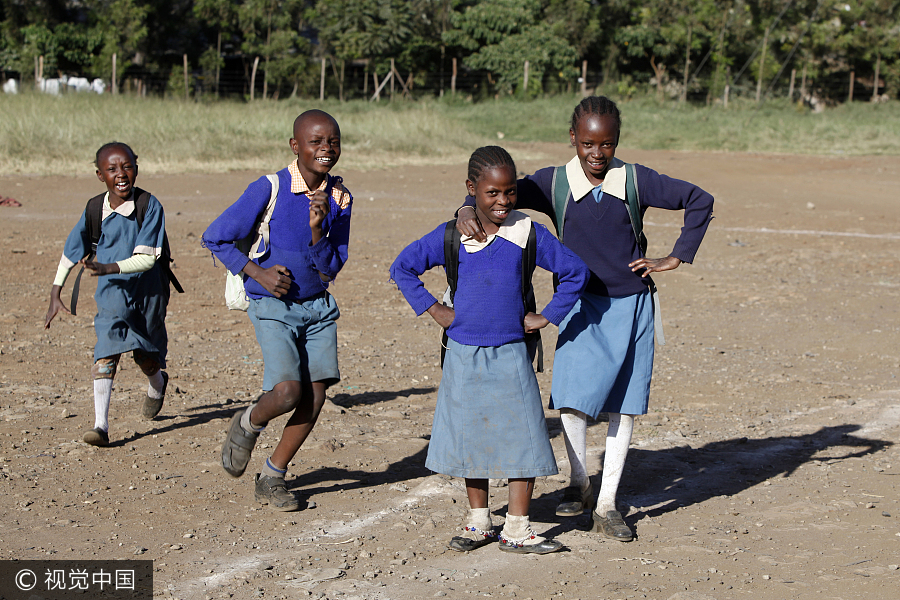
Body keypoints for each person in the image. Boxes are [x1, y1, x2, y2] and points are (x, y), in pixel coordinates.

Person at [456, 96, 714, 542]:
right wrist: (463, 209)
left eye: (607, 144)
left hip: (631, 304)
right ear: (573, 138)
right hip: (578, 303)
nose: (598, 153)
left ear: (617, 142)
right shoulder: (553, 183)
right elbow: (492, 191)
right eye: (588, 143)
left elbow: (699, 199)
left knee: (623, 404)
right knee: (573, 398)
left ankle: (608, 504)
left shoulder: (635, 180)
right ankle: (579, 481)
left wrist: (675, 257)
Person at [390, 146, 589, 554]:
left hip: (514, 351)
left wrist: (547, 315)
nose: (502, 202)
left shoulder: (527, 232)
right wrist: (434, 309)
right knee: (470, 437)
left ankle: (517, 527)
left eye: (510, 192)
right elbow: (402, 267)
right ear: (472, 190)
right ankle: (479, 521)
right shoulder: (451, 234)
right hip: (462, 352)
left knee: (525, 437)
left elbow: (575, 272)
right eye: (492, 193)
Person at [203, 110, 352, 511]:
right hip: (273, 305)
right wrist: (259, 273)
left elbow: (332, 267)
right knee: (287, 392)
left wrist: (319, 228)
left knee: (315, 396)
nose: (326, 149)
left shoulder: (339, 198)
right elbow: (215, 237)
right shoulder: (268, 188)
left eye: (333, 141)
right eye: (316, 142)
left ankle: (273, 475)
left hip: (318, 307)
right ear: (295, 146)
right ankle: (249, 420)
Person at [45, 142, 173, 447]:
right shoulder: (94, 209)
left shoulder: (148, 205)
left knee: (146, 354)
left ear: (137, 169)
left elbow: (147, 259)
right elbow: (71, 249)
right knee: (106, 349)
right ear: (100, 175)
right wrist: (55, 291)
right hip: (112, 290)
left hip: (148, 292)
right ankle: (100, 426)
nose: (121, 174)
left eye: (127, 166)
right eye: (112, 169)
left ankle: (157, 384)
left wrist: (109, 267)